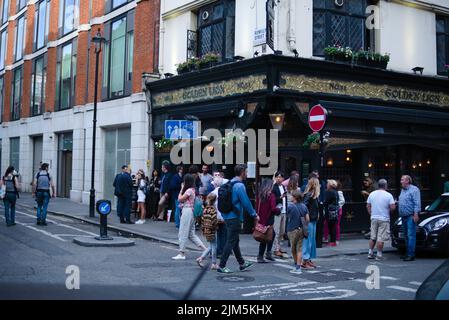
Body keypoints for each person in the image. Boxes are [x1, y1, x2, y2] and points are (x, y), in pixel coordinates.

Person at [217, 164, 258, 274]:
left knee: (235, 241)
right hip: (234, 217)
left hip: (227, 216)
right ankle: (221, 265)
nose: (247, 174)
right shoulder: (239, 186)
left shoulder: (230, 182)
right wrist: (254, 214)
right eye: (246, 172)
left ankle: (242, 263)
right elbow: (246, 202)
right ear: (242, 172)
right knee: (230, 241)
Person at [172, 174, 207, 260]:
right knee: (191, 234)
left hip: (187, 211)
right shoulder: (193, 190)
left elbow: (180, 199)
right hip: (191, 212)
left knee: (183, 232)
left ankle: (182, 253)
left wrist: (181, 189)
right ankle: (206, 250)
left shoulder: (189, 190)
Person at [367, 179, 396, 261]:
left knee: (373, 236)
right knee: (381, 238)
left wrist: (371, 214)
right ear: (385, 185)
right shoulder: (389, 195)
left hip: (374, 218)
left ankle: (370, 252)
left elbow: (368, 205)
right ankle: (379, 255)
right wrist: (390, 211)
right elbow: (393, 207)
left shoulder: (372, 194)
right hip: (384, 218)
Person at [256, 178, 281, 263]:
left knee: (268, 235)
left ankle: (266, 254)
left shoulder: (260, 195)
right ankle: (263, 255)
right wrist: (278, 210)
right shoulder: (271, 196)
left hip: (261, 219)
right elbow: (273, 208)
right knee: (267, 237)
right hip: (268, 219)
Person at [398, 175, 421, 262]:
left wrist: (416, 214)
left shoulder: (414, 189)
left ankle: (411, 254)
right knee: (406, 236)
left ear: (407, 181)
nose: (401, 181)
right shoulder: (402, 190)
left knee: (411, 235)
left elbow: (417, 203)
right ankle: (408, 253)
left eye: (402, 180)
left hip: (411, 216)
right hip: (403, 216)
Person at [287, 190, 310, 274]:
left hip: (292, 229)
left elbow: (286, 215)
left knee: (293, 249)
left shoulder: (290, 207)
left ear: (295, 197)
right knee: (299, 249)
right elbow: (307, 219)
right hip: (301, 229)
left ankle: (296, 266)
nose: (290, 197)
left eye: (291, 196)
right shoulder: (304, 206)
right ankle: (298, 268)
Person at [196, 193, 219, 270]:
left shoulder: (205, 209)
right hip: (211, 230)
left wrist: (203, 229)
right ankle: (214, 263)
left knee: (211, 246)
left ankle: (200, 258)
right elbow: (214, 221)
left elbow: (202, 220)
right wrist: (216, 227)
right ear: (215, 201)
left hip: (206, 229)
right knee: (214, 246)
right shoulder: (213, 210)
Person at [302, 177, 321, 269]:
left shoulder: (314, 195)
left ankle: (308, 259)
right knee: (308, 241)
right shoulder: (309, 194)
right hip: (309, 220)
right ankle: (305, 261)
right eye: (318, 184)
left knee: (312, 241)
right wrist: (307, 215)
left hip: (313, 220)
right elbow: (304, 206)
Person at [211, 171, 227, 257]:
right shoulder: (224, 191)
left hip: (215, 215)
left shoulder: (213, 193)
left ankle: (217, 250)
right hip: (223, 215)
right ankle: (222, 250)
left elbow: (209, 204)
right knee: (223, 233)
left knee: (217, 234)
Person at [272, 171, 287, 258]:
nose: (278, 178)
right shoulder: (274, 188)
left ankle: (279, 247)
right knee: (276, 231)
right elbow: (272, 200)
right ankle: (275, 249)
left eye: (280, 177)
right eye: (277, 177)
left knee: (282, 231)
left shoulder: (283, 187)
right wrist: (280, 198)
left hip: (284, 211)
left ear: (283, 179)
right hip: (277, 212)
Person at [323, 180, 339, 247]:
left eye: (327, 184)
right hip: (334, 211)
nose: (326, 185)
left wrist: (322, 204)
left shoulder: (329, 192)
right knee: (333, 226)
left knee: (331, 226)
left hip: (329, 211)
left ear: (330, 185)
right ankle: (333, 241)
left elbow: (326, 201)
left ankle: (332, 241)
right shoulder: (336, 192)